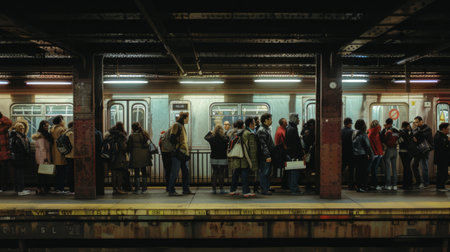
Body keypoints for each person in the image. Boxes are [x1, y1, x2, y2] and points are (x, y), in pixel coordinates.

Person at [229, 118, 258, 197]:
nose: (255, 125)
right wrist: (253, 161)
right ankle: (246, 191)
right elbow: (252, 149)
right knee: (245, 174)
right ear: (251, 124)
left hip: (237, 156)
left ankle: (232, 190)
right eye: (254, 123)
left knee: (236, 174)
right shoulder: (248, 134)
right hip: (245, 158)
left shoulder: (235, 133)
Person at [168, 112, 193, 196]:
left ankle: (186, 189)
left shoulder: (181, 126)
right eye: (187, 118)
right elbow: (172, 138)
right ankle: (171, 190)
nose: (188, 120)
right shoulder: (176, 125)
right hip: (178, 153)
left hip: (183, 153)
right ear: (184, 118)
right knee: (175, 172)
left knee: (185, 172)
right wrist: (177, 146)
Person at [128, 122, 152, 194]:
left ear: (132, 128)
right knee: (144, 171)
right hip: (144, 155)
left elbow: (129, 147)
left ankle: (137, 188)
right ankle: (144, 188)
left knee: (136, 172)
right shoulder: (144, 134)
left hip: (135, 155)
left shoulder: (132, 136)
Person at [105, 122, 128, 194]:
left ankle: (114, 189)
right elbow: (123, 147)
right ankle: (119, 188)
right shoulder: (121, 135)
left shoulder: (110, 134)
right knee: (120, 172)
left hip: (111, 156)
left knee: (113, 173)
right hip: (119, 156)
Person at [204, 124, 229, 194]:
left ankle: (214, 189)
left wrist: (210, 132)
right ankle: (221, 189)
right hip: (223, 157)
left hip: (214, 157)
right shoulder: (224, 138)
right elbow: (229, 139)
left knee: (214, 173)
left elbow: (205, 137)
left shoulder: (212, 137)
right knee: (221, 173)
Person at [9, 119, 31, 196]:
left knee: (19, 174)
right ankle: (20, 190)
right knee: (19, 174)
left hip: (18, 158)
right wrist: (25, 154)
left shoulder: (18, 136)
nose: (22, 129)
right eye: (21, 128)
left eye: (23, 128)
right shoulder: (17, 137)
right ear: (17, 128)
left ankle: (20, 189)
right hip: (18, 158)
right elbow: (20, 148)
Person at [285, 113, 305, 195]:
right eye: (298, 119)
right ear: (294, 119)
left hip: (291, 154)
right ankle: (294, 189)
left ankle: (293, 187)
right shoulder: (293, 129)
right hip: (294, 155)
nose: (299, 120)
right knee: (294, 172)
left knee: (292, 172)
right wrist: (301, 153)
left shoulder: (289, 128)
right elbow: (296, 144)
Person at [32, 120, 53, 195]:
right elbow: (42, 148)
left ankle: (42, 188)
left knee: (43, 174)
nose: (47, 127)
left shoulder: (45, 135)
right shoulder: (41, 136)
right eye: (45, 126)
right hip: (42, 158)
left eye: (47, 126)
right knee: (42, 174)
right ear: (42, 126)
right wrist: (45, 158)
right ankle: (40, 189)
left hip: (43, 157)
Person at [412, 116, 433, 189]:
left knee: (424, 166)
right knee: (415, 165)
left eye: (417, 122)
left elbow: (420, 134)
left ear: (422, 121)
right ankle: (419, 181)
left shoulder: (427, 128)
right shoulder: (417, 129)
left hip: (425, 150)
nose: (416, 124)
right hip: (418, 150)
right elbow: (414, 135)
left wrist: (415, 135)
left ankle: (425, 183)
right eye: (415, 122)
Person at [352, 119, 373, 192]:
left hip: (356, 154)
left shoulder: (354, 133)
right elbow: (367, 145)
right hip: (363, 154)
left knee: (358, 171)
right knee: (364, 171)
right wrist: (368, 154)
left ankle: (358, 186)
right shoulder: (363, 134)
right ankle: (363, 186)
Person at [257, 113, 275, 195]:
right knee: (264, 172)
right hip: (264, 156)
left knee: (267, 173)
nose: (271, 121)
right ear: (265, 120)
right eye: (270, 119)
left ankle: (267, 187)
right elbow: (263, 145)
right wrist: (267, 155)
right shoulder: (262, 130)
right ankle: (264, 189)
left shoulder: (266, 129)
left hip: (268, 154)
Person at [398, 121, 420, 190]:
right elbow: (414, 140)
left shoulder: (401, 132)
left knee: (406, 167)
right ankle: (408, 183)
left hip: (403, 152)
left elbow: (400, 141)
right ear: (407, 126)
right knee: (407, 167)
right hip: (409, 153)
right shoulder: (409, 133)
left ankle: (406, 184)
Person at [380, 118, 399, 190]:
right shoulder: (396, 130)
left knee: (388, 168)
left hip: (389, 150)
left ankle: (388, 185)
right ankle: (395, 185)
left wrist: (384, 129)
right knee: (394, 168)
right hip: (395, 150)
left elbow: (383, 139)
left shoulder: (388, 132)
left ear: (388, 124)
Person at [51, 115, 67, 194]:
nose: (64, 121)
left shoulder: (53, 129)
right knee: (61, 172)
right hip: (60, 152)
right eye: (63, 120)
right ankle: (61, 188)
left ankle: (57, 188)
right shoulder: (61, 129)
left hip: (55, 151)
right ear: (60, 121)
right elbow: (65, 140)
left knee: (57, 172)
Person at [367, 120, 383, 191]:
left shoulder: (369, 133)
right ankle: (375, 185)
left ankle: (370, 184)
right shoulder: (376, 132)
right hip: (378, 153)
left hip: (374, 153)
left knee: (371, 170)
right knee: (374, 170)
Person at [433, 122, 449, 192]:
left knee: (444, 172)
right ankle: (440, 186)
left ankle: (441, 186)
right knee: (441, 172)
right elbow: (442, 147)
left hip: (444, 158)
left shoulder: (443, 136)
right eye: (448, 129)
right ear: (443, 129)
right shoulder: (438, 136)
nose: (448, 131)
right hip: (441, 158)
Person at [301, 119, 316, 193]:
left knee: (308, 170)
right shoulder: (311, 133)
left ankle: (308, 185)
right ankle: (309, 185)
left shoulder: (304, 131)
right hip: (311, 154)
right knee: (310, 170)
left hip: (307, 153)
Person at [0, 112, 13, 193]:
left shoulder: (3, 127)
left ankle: (4, 186)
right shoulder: (3, 127)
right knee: (4, 171)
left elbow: (9, 123)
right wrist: (1, 118)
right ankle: (4, 186)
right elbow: (9, 123)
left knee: (4, 171)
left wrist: (1, 118)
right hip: (4, 152)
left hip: (3, 152)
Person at [274, 118, 288, 190]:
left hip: (280, 152)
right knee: (285, 168)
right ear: (282, 123)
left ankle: (284, 183)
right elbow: (283, 143)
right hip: (281, 153)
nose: (287, 122)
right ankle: (285, 184)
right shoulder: (281, 131)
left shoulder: (281, 130)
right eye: (286, 121)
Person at [341, 118, 354, 190]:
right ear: (348, 124)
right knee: (351, 170)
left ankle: (337, 181)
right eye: (351, 123)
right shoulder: (352, 131)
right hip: (350, 153)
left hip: (343, 152)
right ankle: (350, 184)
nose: (351, 125)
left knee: (341, 168)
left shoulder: (341, 131)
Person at [65, 121, 75, 195]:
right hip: (72, 155)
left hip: (68, 155)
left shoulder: (67, 132)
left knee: (70, 172)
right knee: (72, 173)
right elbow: (73, 145)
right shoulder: (71, 134)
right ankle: (72, 189)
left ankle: (71, 188)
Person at [95, 128, 104, 195]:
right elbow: (101, 144)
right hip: (98, 156)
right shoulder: (98, 133)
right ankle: (99, 190)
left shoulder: (88, 132)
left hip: (90, 156)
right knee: (98, 174)